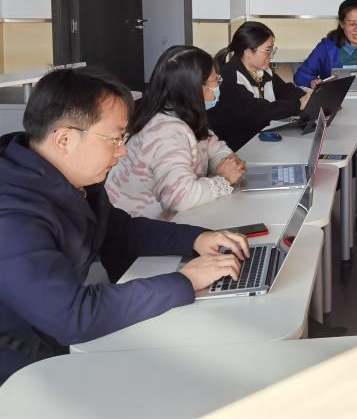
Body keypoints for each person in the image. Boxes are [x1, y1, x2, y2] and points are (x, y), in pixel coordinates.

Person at [0, 67, 249, 384]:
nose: (123, 151)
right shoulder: (12, 216)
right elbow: (72, 316)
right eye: (115, 139)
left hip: (46, 338)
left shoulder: (70, 180)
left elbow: (120, 232)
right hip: (17, 370)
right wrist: (184, 281)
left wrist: (198, 238)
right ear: (64, 139)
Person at [106, 46, 246, 219]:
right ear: (194, 87)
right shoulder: (166, 132)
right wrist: (224, 179)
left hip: (173, 221)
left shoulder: (182, 115)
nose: (218, 85)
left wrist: (225, 164)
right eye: (215, 80)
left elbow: (215, 148)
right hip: (139, 227)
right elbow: (179, 198)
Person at [294, 0, 357, 207]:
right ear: (341, 23)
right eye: (351, 24)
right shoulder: (327, 46)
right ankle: (326, 192)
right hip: (337, 108)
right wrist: (313, 81)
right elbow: (301, 76)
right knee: (346, 150)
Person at [207, 21, 311, 151]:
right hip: (238, 150)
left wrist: (310, 97)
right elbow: (257, 111)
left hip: (261, 142)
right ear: (248, 51)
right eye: (267, 51)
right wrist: (298, 104)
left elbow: (286, 91)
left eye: (272, 50)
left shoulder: (263, 71)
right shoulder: (228, 78)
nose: (271, 56)